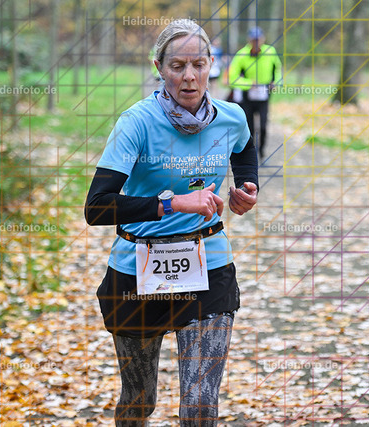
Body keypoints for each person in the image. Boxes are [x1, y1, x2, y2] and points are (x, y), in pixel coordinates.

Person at [84, 18, 258, 426]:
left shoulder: (231, 117)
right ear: (159, 68)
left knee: (200, 406)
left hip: (208, 264)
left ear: (212, 64)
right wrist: (172, 203)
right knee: (139, 400)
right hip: (138, 271)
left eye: (199, 64)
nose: (189, 76)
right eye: (177, 66)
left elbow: (244, 147)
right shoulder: (136, 122)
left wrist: (247, 186)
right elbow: (97, 207)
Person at [227, 26, 282, 159]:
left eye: (258, 39)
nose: (256, 43)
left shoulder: (270, 51)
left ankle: (262, 151)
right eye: (253, 40)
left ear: (263, 39)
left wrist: (276, 82)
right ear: (249, 40)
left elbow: (278, 69)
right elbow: (232, 79)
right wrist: (248, 83)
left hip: (264, 95)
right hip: (247, 96)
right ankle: (251, 153)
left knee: (263, 126)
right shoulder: (241, 54)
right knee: (249, 127)